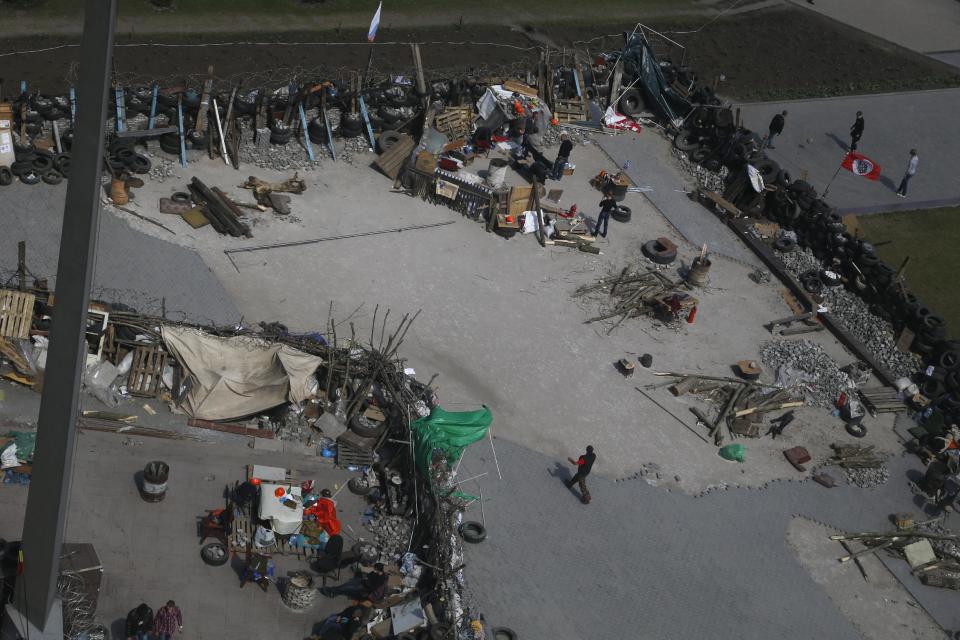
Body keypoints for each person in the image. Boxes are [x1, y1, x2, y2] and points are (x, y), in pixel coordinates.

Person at [320, 563, 389, 601]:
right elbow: (369, 574)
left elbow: (373, 587)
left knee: (347, 588)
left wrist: (367, 582)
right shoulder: (375, 572)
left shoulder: (381, 579)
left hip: (364, 586)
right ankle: (334, 591)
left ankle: (331, 591)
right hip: (362, 580)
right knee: (346, 585)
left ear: (379, 570)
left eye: (375, 569)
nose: (374, 569)